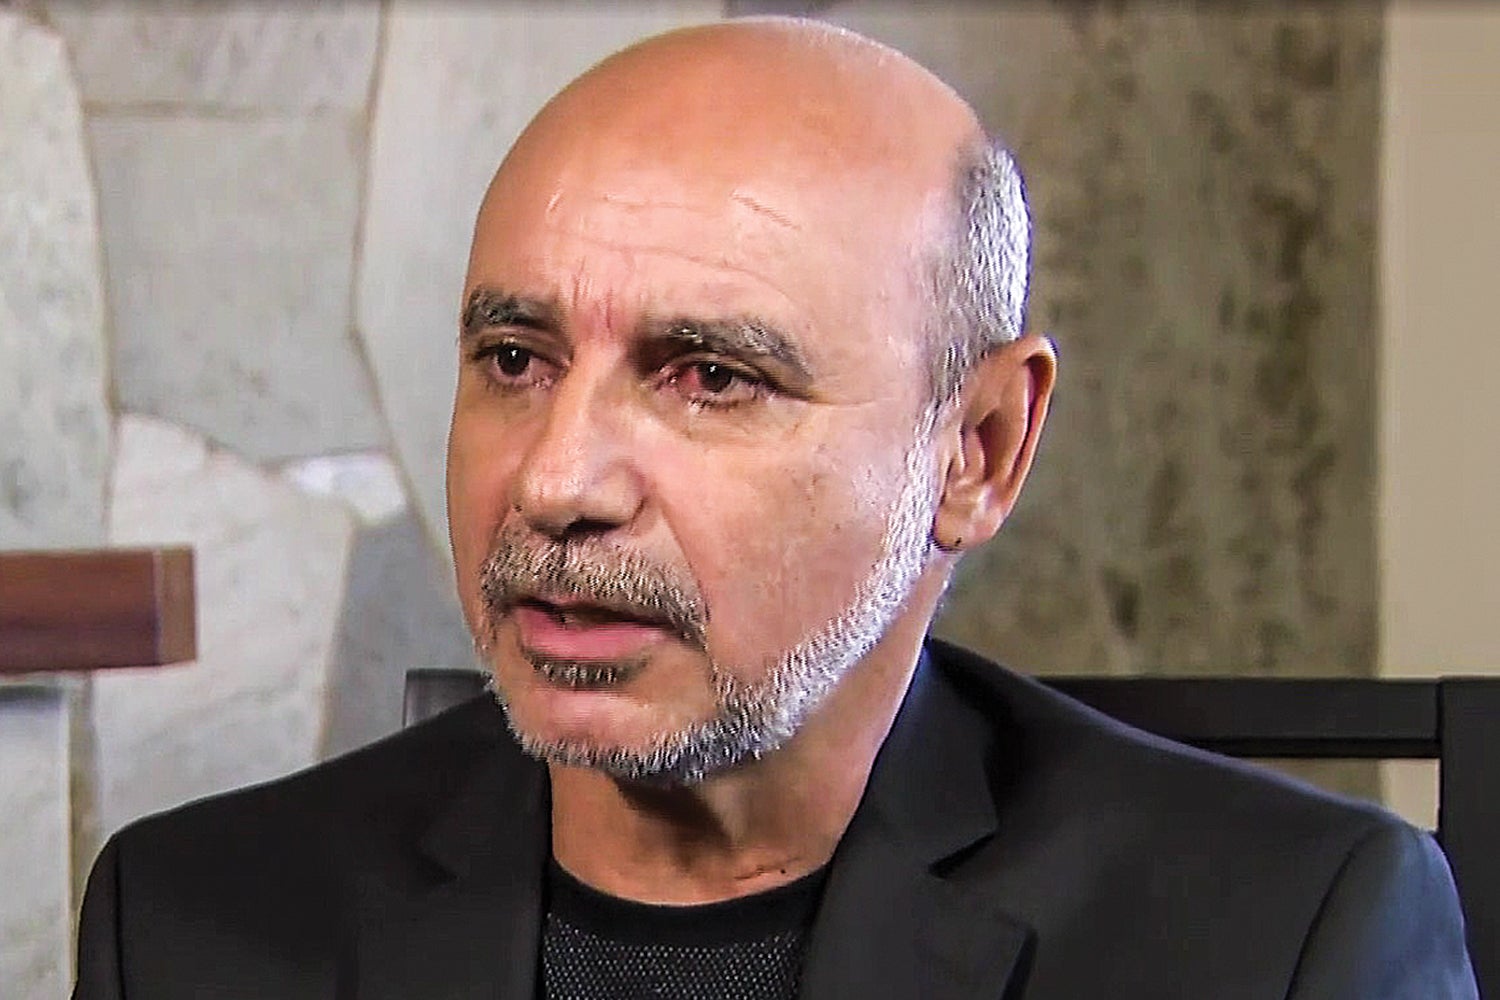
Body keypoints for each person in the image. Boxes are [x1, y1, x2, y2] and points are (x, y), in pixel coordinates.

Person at [73, 17, 1477, 1000]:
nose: (557, 482)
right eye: (515, 360)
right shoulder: (191, 927)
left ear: (978, 449)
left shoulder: (1286, 946)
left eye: (710, 377)